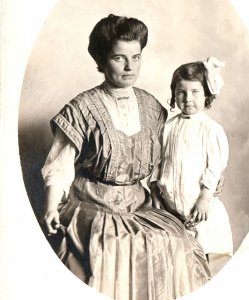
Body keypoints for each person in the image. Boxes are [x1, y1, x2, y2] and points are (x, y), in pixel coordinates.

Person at [41, 14, 211, 300]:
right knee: (118, 245)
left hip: (137, 203)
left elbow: (172, 160)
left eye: (137, 56)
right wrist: (49, 207)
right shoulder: (80, 108)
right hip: (90, 204)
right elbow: (59, 167)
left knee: (176, 241)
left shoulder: (153, 108)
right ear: (101, 61)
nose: (130, 66)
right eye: (120, 58)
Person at [151, 58, 233, 276]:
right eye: (181, 92)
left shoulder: (210, 129)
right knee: (177, 264)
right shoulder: (168, 127)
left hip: (198, 208)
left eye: (195, 92)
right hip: (170, 207)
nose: (187, 99)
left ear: (206, 93)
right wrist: (155, 190)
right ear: (174, 94)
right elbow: (159, 161)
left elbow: (214, 167)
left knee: (202, 262)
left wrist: (205, 198)